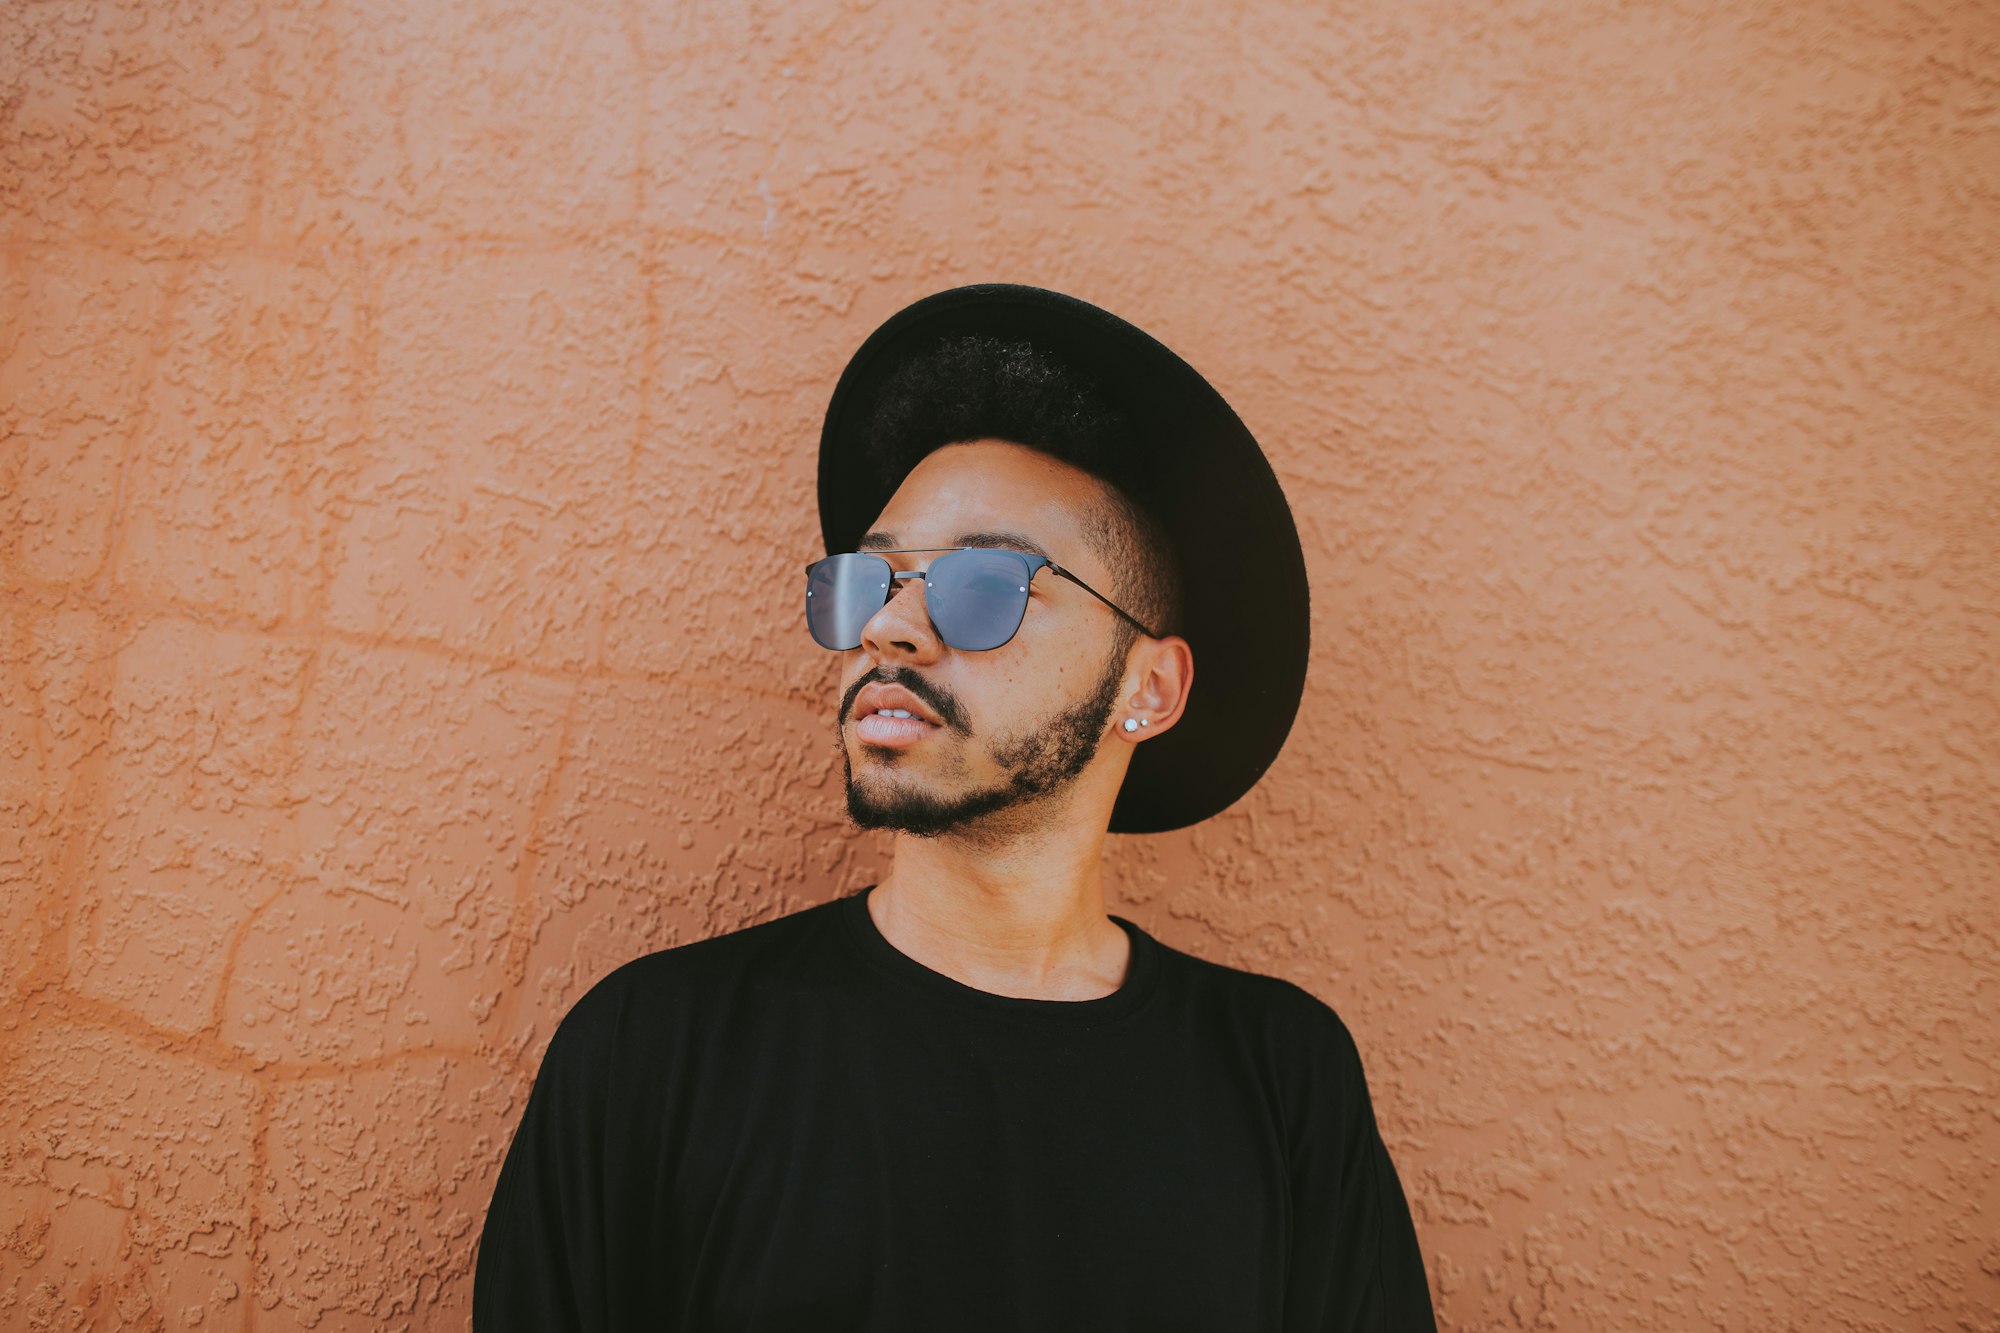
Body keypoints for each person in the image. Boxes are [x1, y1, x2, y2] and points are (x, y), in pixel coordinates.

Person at [471, 285, 1437, 1331]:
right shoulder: (654, 1053)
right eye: (870, 581)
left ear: (1146, 688)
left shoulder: (1279, 1080)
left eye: (982, 586)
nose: (889, 628)